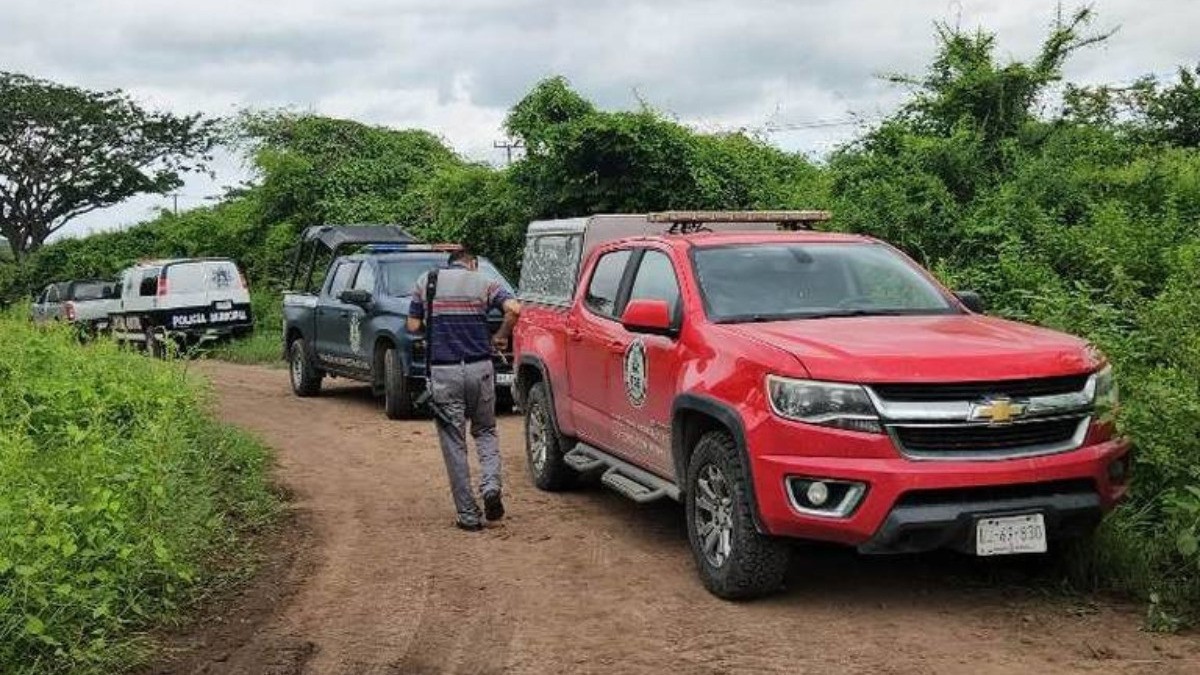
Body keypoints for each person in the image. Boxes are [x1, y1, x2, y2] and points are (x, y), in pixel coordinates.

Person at [407, 247, 521, 531]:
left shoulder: (426, 282)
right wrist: (500, 336)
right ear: (471, 263)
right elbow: (514, 309)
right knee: (485, 431)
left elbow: (412, 325)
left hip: (444, 372)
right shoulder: (483, 283)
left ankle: (469, 515)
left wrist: (435, 328)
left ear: (449, 265)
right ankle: (491, 487)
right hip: (480, 369)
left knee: (453, 442)